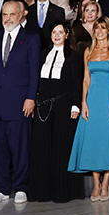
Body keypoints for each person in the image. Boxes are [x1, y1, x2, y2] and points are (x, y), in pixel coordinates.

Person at [69, 16, 109, 200]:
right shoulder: (88, 51)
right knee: (94, 139)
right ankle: (96, 185)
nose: (100, 31)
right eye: (97, 28)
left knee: (108, 138)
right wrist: (83, 102)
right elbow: (85, 79)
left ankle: (106, 184)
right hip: (93, 99)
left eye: (104, 28)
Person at [0, 0, 40, 205]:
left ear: (21, 15)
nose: (8, 18)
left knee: (20, 147)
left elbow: (34, 71)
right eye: (4, 15)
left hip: (20, 102)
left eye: (11, 14)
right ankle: (1, 188)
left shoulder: (31, 38)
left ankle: (20, 186)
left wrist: (31, 97)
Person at [30, 24, 84, 203]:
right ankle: (43, 192)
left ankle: (62, 192)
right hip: (43, 106)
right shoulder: (43, 54)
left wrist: (76, 106)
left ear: (67, 35)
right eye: (54, 32)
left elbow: (77, 83)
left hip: (64, 106)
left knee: (61, 148)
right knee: (43, 148)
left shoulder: (74, 57)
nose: (57, 35)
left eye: (61, 32)